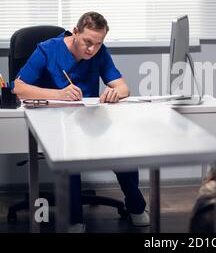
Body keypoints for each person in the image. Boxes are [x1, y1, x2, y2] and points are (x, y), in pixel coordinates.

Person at [13, 12, 149, 230]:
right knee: (71, 153)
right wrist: (58, 94)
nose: (92, 49)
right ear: (75, 32)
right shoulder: (47, 49)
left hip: (89, 121)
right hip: (54, 122)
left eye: (98, 44)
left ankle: (136, 206)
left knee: (124, 149)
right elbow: (17, 88)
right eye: (87, 42)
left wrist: (116, 92)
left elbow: (123, 86)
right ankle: (74, 219)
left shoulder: (99, 52)